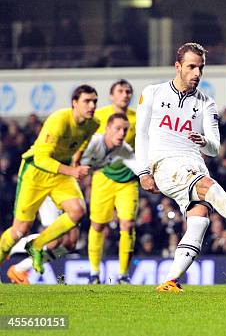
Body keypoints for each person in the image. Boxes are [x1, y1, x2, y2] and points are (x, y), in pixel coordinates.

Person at [135, 42, 226, 293]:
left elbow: (215, 148)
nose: (197, 73)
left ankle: (169, 281)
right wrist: (142, 172)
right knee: (209, 187)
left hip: (194, 165)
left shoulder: (206, 103)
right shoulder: (152, 93)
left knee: (200, 220)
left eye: (201, 68)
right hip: (166, 165)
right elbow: (140, 134)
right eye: (191, 67)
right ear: (177, 66)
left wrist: (205, 141)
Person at [6, 113, 137, 284]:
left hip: (67, 189)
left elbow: (139, 167)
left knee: (70, 244)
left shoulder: (121, 150)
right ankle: (11, 248)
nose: (122, 133)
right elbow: (64, 157)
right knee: (54, 242)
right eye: (118, 129)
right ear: (107, 129)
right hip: (51, 183)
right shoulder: (92, 143)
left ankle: (18, 269)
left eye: (125, 130)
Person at [0, 85, 99, 274]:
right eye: (87, 101)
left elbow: (83, 141)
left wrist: (77, 159)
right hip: (35, 173)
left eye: (94, 101)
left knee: (77, 211)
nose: (92, 105)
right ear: (74, 103)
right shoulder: (59, 120)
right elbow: (41, 158)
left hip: (60, 175)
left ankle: (37, 245)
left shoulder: (92, 123)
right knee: (19, 230)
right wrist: (72, 170)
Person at [87, 79, 138, 285]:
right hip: (103, 177)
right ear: (111, 95)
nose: (125, 94)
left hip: (128, 180)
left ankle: (123, 274)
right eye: (120, 91)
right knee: (98, 225)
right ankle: (94, 273)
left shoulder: (138, 117)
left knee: (128, 224)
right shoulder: (98, 116)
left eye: (128, 91)